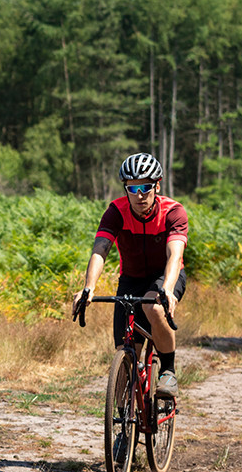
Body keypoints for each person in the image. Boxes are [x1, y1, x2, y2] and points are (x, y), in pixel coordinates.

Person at [72, 152, 188, 397]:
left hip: (165, 274)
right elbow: (100, 250)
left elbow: (174, 256)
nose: (139, 195)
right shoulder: (116, 211)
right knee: (126, 360)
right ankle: (124, 427)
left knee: (154, 309)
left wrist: (166, 289)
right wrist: (89, 288)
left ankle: (168, 371)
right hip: (131, 279)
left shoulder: (173, 212)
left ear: (157, 185)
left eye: (145, 187)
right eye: (132, 188)